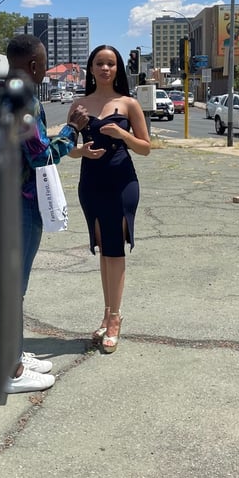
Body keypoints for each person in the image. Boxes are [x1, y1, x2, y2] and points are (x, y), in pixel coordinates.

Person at [5, 35, 90, 393]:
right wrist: (72, 131)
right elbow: (40, 156)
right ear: (35, 66)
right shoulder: (24, 99)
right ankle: (10, 371)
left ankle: (14, 355)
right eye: (42, 63)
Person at [68, 45, 151, 354]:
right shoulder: (79, 105)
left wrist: (123, 136)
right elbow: (67, 147)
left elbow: (145, 147)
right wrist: (81, 152)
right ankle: (107, 313)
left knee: (115, 250)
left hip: (122, 182)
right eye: (100, 63)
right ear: (90, 68)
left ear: (118, 70)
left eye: (111, 64)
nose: (105, 68)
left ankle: (115, 319)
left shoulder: (128, 104)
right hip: (91, 183)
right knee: (104, 250)